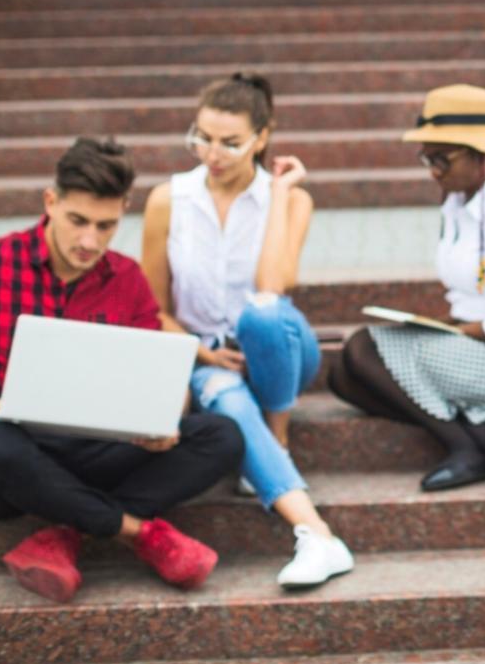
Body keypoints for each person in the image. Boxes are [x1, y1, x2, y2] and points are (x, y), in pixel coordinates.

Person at [0, 137, 243, 603]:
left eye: (106, 226)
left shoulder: (127, 280)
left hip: (97, 450)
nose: (89, 241)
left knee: (221, 436)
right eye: (78, 221)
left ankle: (66, 533)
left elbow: (163, 380)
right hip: (7, 459)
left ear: (123, 211)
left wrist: (162, 421)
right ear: (50, 202)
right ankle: (139, 532)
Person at [140, 73, 353, 590]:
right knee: (228, 400)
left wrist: (277, 194)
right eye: (203, 138)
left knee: (259, 311)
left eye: (230, 143)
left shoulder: (291, 200)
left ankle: (276, 428)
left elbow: (272, 285)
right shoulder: (169, 200)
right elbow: (151, 310)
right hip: (208, 358)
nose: (212, 153)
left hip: (280, 350)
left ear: (261, 137)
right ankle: (318, 535)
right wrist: (203, 356)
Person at [327, 84, 485, 491]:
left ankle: (467, 448)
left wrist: (456, 333)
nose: (432, 170)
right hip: (474, 343)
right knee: (343, 378)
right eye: (427, 158)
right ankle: (482, 428)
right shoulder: (457, 202)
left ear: (480, 155)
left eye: (441, 159)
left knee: (361, 349)